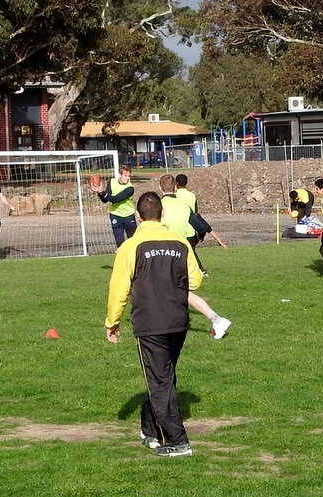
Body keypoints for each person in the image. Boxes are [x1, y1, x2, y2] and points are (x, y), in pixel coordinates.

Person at [105, 191, 201, 457]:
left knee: (159, 380)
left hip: (150, 322)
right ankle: (150, 431)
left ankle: (178, 441)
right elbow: (195, 280)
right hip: (178, 320)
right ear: (162, 214)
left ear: (138, 216)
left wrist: (112, 322)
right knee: (163, 376)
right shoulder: (180, 242)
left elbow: (118, 289)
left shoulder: (130, 247)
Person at [159, 175, 230, 339]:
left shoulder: (158, 206)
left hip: (164, 251)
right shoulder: (184, 206)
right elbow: (200, 226)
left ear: (160, 188)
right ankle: (214, 320)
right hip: (182, 251)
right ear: (175, 187)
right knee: (178, 290)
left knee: (168, 288)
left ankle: (217, 320)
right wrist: (197, 237)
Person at [94, 164, 136, 247]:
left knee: (133, 242)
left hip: (128, 215)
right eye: (125, 176)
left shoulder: (130, 188)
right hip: (115, 215)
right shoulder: (112, 182)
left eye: (129, 176)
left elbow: (115, 199)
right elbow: (105, 200)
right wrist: (99, 192)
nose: (127, 178)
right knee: (119, 242)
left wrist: (102, 192)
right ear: (120, 174)